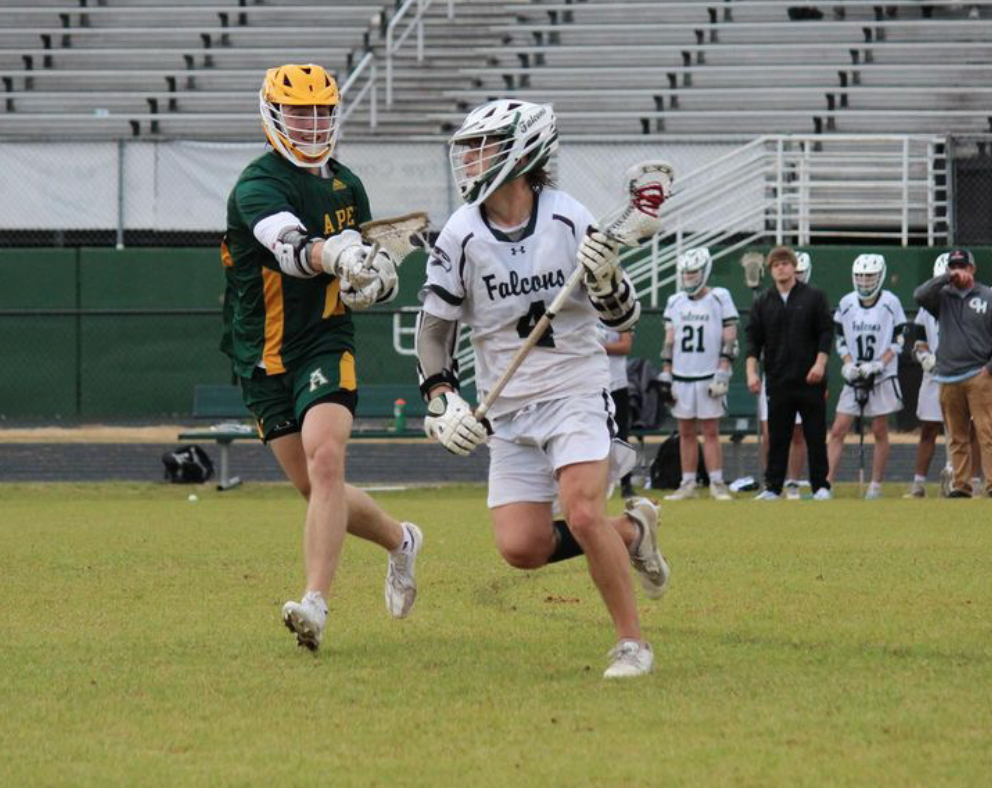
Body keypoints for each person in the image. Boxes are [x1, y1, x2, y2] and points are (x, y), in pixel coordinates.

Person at [416, 99, 670, 678]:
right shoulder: (460, 233)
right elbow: (435, 332)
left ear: (522, 151)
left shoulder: (568, 216)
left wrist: (605, 277)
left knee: (581, 513)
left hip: (575, 390)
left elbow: (623, 316)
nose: (470, 160)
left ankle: (632, 643)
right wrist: (441, 396)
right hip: (507, 408)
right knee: (521, 548)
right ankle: (633, 530)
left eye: (483, 147)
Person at [223, 63, 423, 652]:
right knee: (315, 488)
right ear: (273, 116)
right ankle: (401, 540)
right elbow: (287, 245)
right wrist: (331, 255)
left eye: (320, 112)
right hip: (261, 353)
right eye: (299, 113)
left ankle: (315, 602)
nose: (311, 125)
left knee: (327, 461)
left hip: (323, 340)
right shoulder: (256, 184)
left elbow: (357, 268)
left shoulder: (348, 186)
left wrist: (371, 277)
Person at [745, 246, 833, 500]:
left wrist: (820, 364)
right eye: (775, 265)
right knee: (778, 437)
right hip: (778, 379)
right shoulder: (763, 301)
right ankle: (773, 487)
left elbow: (825, 333)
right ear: (770, 270)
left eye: (785, 263)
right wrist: (752, 373)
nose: (781, 268)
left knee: (815, 434)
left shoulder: (814, 297)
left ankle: (820, 486)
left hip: (810, 379)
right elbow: (753, 340)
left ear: (794, 267)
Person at [656, 247, 739, 501]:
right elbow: (670, 340)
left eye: (694, 273)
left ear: (704, 272)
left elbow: (730, 335)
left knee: (711, 431)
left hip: (708, 374)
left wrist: (723, 370)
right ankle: (688, 482)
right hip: (682, 375)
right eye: (686, 273)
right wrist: (667, 372)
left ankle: (716, 482)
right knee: (686, 432)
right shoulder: (675, 301)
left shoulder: (719, 297)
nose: (690, 278)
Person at [826, 254, 907, 499]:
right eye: (860, 276)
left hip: (881, 375)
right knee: (839, 428)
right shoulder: (847, 302)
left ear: (880, 275)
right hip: (855, 374)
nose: (864, 281)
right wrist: (848, 364)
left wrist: (879, 364)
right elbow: (840, 338)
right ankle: (826, 484)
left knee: (879, 429)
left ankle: (875, 485)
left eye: (869, 276)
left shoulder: (890, 302)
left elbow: (899, 338)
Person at [914, 248, 992, 497]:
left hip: (978, 374)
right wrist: (946, 278)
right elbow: (919, 295)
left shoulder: (988, 296)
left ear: (973, 268)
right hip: (948, 375)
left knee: (985, 432)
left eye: (963, 266)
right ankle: (961, 484)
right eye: (954, 266)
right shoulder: (942, 297)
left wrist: (989, 369)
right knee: (956, 436)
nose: (959, 271)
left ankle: (991, 483)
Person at [758, 252, 812, 499]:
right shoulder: (767, 302)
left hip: (803, 377)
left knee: (798, 433)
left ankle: (793, 482)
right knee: (771, 432)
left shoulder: (811, 301)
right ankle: (772, 482)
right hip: (775, 376)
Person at [905, 253, 951, 497]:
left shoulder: (971, 302)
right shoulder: (926, 310)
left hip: (962, 372)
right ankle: (919, 483)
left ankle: (969, 480)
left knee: (967, 431)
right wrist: (924, 357)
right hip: (934, 375)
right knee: (929, 428)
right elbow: (919, 341)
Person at [597, 324, 636, 497]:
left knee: (621, 434)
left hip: (617, 381)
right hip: (592, 383)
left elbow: (625, 345)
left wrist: (597, 346)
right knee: (594, 434)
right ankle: (596, 481)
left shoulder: (616, 308)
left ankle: (626, 483)